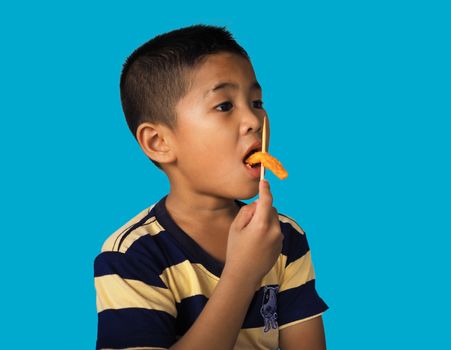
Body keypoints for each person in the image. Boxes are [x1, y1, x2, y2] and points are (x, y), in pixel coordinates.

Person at [94, 24, 329, 350]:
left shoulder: (285, 238)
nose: (254, 120)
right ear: (159, 142)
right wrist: (242, 275)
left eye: (257, 102)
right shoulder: (130, 256)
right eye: (224, 106)